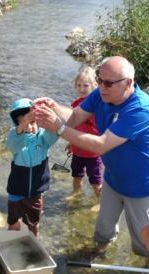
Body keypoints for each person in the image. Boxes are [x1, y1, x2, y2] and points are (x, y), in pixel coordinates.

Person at [34, 56, 149, 257]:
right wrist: (54, 108)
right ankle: (99, 251)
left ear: (128, 83)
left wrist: (58, 128)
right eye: (100, 79)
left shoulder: (139, 108)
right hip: (114, 177)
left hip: (142, 184)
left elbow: (102, 145)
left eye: (108, 83)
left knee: (144, 240)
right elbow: (75, 117)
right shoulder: (101, 94)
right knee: (104, 228)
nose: (102, 86)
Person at [5, 98, 60, 237]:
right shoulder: (16, 138)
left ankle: (34, 245)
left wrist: (49, 114)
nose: (29, 127)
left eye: (32, 122)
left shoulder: (43, 138)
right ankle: (11, 242)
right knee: (12, 223)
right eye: (24, 124)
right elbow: (12, 144)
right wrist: (21, 128)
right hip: (16, 190)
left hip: (36, 192)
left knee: (33, 224)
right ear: (17, 124)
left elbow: (54, 133)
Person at [65, 66, 102, 210]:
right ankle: (76, 192)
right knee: (76, 175)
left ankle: (100, 200)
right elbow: (74, 125)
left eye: (85, 85)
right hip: (77, 150)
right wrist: (70, 142)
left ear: (94, 86)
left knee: (95, 180)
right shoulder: (76, 104)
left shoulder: (95, 107)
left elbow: (98, 129)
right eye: (78, 85)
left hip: (92, 152)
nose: (81, 89)